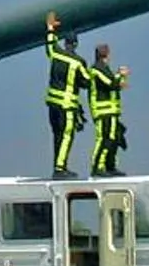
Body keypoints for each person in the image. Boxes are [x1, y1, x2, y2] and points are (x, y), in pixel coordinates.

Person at [42, 12, 89, 176]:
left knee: (56, 136)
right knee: (66, 136)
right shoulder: (78, 62)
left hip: (52, 104)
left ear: (65, 42)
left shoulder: (56, 53)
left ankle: (58, 165)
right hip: (67, 105)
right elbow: (86, 82)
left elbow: (49, 44)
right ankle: (60, 168)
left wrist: (50, 29)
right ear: (75, 44)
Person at [87, 43, 129, 175]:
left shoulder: (104, 69)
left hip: (111, 111)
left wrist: (119, 78)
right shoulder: (96, 70)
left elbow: (113, 84)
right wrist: (120, 76)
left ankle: (110, 166)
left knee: (113, 138)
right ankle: (97, 167)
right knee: (104, 138)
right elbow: (110, 83)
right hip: (103, 111)